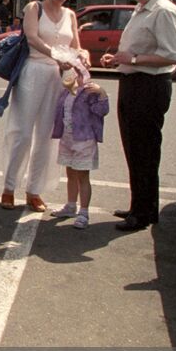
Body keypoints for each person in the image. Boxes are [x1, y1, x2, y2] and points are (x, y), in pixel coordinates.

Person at [101, 0, 176, 232]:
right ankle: (139, 205)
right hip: (132, 82)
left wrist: (133, 59)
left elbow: (172, 55)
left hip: (149, 86)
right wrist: (119, 59)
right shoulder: (141, 9)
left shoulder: (164, 11)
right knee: (134, 150)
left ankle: (144, 212)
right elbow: (136, 51)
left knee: (145, 151)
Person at [0, 0, 82, 213]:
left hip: (58, 78)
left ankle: (34, 190)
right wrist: (57, 55)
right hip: (33, 72)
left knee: (46, 136)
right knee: (21, 132)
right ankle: (8, 187)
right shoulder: (34, 8)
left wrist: (82, 57)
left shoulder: (71, 15)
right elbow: (32, 38)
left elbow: (76, 45)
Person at [50, 52, 110, 229]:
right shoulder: (68, 89)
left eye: (79, 68)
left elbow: (102, 110)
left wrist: (102, 93)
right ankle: (70, 205)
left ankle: (84, 212)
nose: (75, 72)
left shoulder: (90, 90)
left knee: (83, 175)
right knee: (70, 173)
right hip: (68, 138)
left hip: (84, 139)